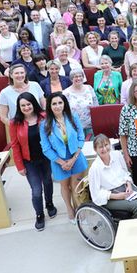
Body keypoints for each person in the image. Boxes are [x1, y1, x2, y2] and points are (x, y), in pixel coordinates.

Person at [9, 92, 56, 231]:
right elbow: (15, 145)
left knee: (48, 182)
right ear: (19, 107)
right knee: (36, 190)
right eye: (22, 105)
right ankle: (39, 215)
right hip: (29, 161)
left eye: (28, 104)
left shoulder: (44, 116)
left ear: (33, 104)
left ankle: (49, 203)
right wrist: (19, 166)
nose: (26, 107)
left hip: (46, 158)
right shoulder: (14, 123)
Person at [40, 92, 88, 223]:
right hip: (58, 160)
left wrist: (74, 158)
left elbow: (81, 137)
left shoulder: (73, 117)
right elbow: (46, 148)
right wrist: (62, 162)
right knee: (65, 186)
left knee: (76, 186)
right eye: (54, 103)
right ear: (49, 106)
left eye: (60, 103)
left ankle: (80, 210)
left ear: (64, 104)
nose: (57, 106)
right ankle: (70, 210)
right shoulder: (44, 125)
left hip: (76, 157)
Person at [62, 69, 98, 137]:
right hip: (74, 126)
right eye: (75, 77)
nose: (78, 78)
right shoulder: (65, 93)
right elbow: (64, 111)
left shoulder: (89, 88)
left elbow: (96, 104)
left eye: (80, 76)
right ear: (71, 79)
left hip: (90, 125)